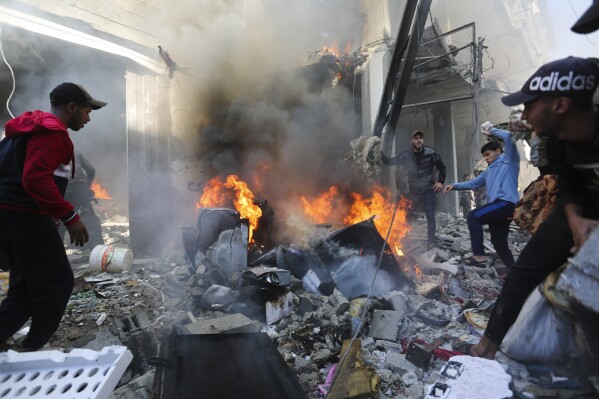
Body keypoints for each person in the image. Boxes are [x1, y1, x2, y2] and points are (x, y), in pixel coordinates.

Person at [467, 56, 599, 360]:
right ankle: (486, 347)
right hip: (583, 204)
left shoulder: (507, 158)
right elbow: (569, 183)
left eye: (529, 105)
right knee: (523, 272)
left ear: (561, 106)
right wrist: (576, 221)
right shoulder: (555, 142)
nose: (523, 115)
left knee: (588, 294)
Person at [0, 82, 106, 351]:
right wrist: (70, 216)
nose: (88, 118)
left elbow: (17, 177)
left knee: (24, 288)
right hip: (24, 218)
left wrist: (46, 211)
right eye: (86, 111)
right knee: (58, 283)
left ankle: (15, 342)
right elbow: (34, 179)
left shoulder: (27, 129)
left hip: (13, 217)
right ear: (71, 107)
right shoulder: (53, 134)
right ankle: (32, 348)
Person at [443, 126, 519, 268]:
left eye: (488, 154)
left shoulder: (510, 160)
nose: (486, 158)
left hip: (506, 204)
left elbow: (509, 136)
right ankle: (514, 274)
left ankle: (478, 255)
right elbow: (473, 183)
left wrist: (491, 129)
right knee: (499, 244)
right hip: (499, 209)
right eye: (484, 156)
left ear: (498, 151)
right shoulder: (489, 171)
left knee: (473, 216)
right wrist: (454, 186)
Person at [382, 130, 446, 246]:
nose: (419, 140)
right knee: (407, 216)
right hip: (414, 192)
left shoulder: (431, 154)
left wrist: (440, 182)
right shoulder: (406, 156)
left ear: (423, 140)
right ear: (411, 141)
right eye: (416, 138)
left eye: (421, 138)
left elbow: (442, 168)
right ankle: (404, 240)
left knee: (430, 216)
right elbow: (389, 161)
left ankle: (431, 241)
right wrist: (379, 152)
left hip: (428, 191)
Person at [57, 150, 105, 250]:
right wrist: (86, 185)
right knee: (89, 216)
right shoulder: (75, 152)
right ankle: (97, 247)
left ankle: (57, 248)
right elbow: (91, 170)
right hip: (80, 188)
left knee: (64, 218)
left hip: (66, 188)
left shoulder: (52, 153)